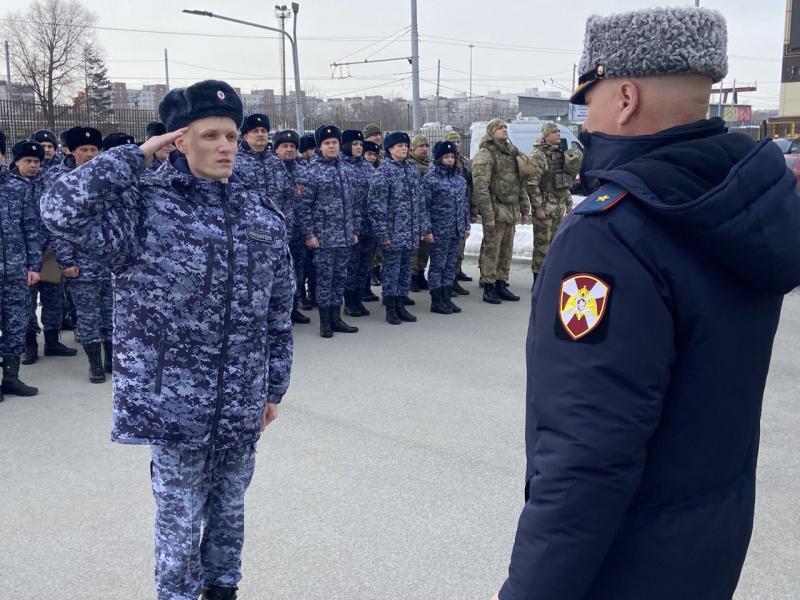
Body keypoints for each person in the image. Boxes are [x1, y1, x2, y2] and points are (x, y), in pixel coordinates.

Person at [491, 8, 800, 600]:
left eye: (592, 100)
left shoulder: (609, 233)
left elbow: (587, 457)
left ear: (626, 97)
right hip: (707, 541)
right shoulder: (741, 203)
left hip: (624, 561)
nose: (589, 118)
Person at [41, 79, 293, 600]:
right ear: (179, 140)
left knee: (230, 512)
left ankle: (225, 590)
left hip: (241, 398)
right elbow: (59, 209)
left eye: (231, 134)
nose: (226, 146)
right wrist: (133, 158)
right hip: (171, 404)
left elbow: (278, 309)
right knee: (180, 525)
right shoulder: (143, 207)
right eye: (210, 135)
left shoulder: (259, 211)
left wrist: (274, 388)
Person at [49, 129, 119, 383]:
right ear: (71, 151)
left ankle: (111, 359)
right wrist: (66, 261)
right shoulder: (62, 180)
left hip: (110, 261)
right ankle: (95, 364)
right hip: (80, 263)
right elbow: (56, 226)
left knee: (111, 314)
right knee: (88, 316)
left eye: (93, 149)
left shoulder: (109, 178)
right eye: (83, 150)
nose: (89, 154)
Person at [11, 140, 76, 365]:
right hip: (22, 255)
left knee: (53, 298)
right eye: (28, 161)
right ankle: (29, 345)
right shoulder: (11, 185)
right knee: (26, 302)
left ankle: (52, 341)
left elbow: (56, 216)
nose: (33, 165)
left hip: (50, 251)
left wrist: (50, 246)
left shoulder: (48, 183)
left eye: (36, 161)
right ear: (17, 161)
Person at [297, 124, 360, 338]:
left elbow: (350, 203)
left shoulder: (344, 169)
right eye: (327, 143)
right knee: (325, 278)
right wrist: (309, 234)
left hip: (343, 235)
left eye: (334, 143)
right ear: (320, 146)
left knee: (339, 277)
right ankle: (325, 321)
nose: (332, 146)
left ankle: (336, 317)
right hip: (323, 236)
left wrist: (352, 230)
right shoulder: (311, 171)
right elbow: (304, 206)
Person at [369, 131, 431, 325]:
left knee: (406, 268)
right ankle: (391, 307)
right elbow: (376, 206)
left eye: (405, 145)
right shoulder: (383, 173)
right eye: (399, 146)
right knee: (391, 270)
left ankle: (401, 303)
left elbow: (420, 203)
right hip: (393, 232)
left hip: (410, 231)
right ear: (389, 150)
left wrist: (423, 228)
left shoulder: (412, 171)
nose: (404, 149)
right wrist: (383, 233)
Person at [0, 132, 42, 399]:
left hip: (15, 271)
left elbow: (31, 230)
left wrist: (34, 265)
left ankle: (11, 378)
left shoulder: (17, 189)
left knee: (16, 325)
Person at [473, 118, 530, 304]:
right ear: (491, 132)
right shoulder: (486, 154)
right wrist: (487, 215)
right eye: (500, 128)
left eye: (505, 127)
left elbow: (520, 182)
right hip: (496, 209)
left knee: (507, 250)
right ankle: (488, 285)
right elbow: (481, 187)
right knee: (492, 248)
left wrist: (524, 207)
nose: (504, 130)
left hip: (511, 209)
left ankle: (501, 283)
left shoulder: (512, 153)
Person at [527, 122, 582, 280]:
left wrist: (569, 203)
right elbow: (532, 184)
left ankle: (550, 277)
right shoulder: (538, 155)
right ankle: (537, 280)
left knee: (556, 245)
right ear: (546, 135)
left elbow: (564, 182)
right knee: (541, 246)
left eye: (559, 131)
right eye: (554, 132)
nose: (558, 134)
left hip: (558, 207)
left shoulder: (560, 154)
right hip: (545, 207)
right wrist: (538, 208)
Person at [421, 141, 470, 315]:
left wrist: (466, 225)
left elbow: (464, 204)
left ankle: (447, 297)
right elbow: (424, 206)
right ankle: (436, 300)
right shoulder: (430, 179)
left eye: (452, 157)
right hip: (439, 230)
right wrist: (426, 230)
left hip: (456, 229)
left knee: (451, 265)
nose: (450, 160)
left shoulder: (459, 179)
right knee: (437, 266)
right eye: (446, 157)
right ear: (439, 158)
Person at [272, 129, 311, 325]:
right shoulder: (272, 169)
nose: (289, 150)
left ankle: (294, 308)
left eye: (292, 147)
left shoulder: (302, 169)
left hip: (299, 230)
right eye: (284, 146)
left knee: (297, 271)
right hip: (278, 231)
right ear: (276, 149)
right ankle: (280, 313)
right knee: (278, 274)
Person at [341, 129, 376, 318]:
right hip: (351, 225)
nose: (358, 147)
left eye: (361, 144)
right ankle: (349, 301)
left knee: (364, 265)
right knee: (351, 266)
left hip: (368, 225)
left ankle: (359, 298)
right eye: (355, 144)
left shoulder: (368, 167)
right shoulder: (341, 166)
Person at [444, 130, 473, 295]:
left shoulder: (464, 161)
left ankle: (457, 271)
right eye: (453, 142)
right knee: (447, 253)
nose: (456, 144)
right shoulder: (443, 163)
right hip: (447, 213)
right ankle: (449, 280)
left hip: (462, 205)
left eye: (458, 141)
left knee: (459, 246)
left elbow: (470, 185)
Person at [408, 134, 432, 292]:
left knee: (425, 247)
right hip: (414, 211)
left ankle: (421, 273)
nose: (424, 149)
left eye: (426, 146)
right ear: (413, 149)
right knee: (414, 248)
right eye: (420, 146)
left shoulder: (430, 165)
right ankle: (412, 276)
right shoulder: (410, 165)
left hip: (427, 210)